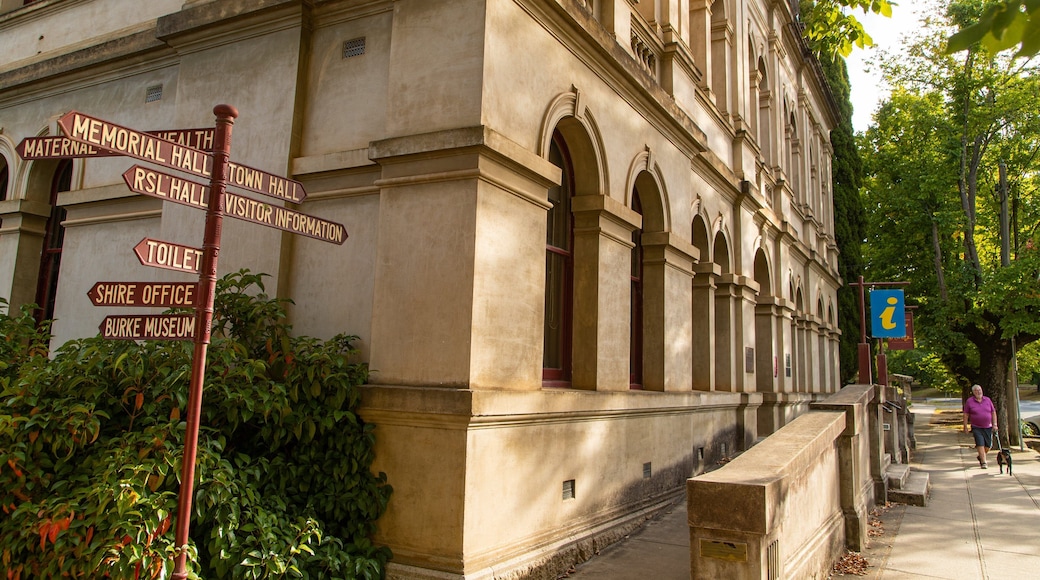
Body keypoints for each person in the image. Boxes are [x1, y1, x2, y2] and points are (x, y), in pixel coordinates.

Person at [962, 384, 998, 468]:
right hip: (976, 427)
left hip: (988, 426)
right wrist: (965, 426)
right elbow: (966, 414)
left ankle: (981, 456)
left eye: (979, 390)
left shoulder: (987, 400)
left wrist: (995, 424)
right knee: (980, 443)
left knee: (988, 446)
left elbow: (993, 412)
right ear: (973, 392)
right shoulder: (970, 401)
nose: (978, 392)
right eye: (976, 390)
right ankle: (984, 462)